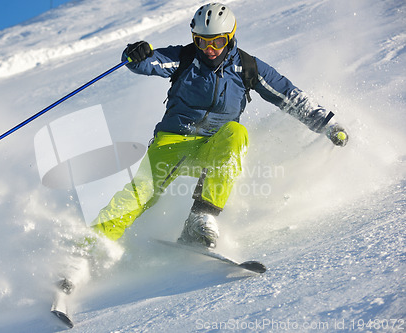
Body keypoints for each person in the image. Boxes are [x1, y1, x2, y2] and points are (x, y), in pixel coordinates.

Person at [90, 3, 348, 249]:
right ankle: (89, 246)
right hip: (171, 143)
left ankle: (200, 218)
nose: (209, 48)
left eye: (218, 41)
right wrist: (135, 54)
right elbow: (147, 63)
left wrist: (328, 125)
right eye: (201, 41)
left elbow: (288, 95)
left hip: (212, 149)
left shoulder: (247, 67)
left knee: (237, 134)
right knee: (139, 192)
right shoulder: (185, 59)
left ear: (230, 37)